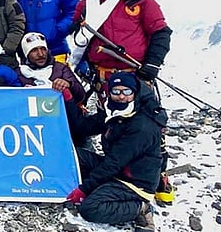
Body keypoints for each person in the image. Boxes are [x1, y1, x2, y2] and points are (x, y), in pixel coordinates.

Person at [70, 0, 174, 203]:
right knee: (111, 125)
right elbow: (78, 36)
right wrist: (82, 62)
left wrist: (152, 64)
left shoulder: (140, 1)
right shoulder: (86, 5)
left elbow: (161, 32)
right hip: (103, 78)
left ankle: (159, 177)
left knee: (150, 127)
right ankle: (116, 172)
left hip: (135, 75)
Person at [63, 72, 166, 232]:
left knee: (90, 209)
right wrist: (68, 99)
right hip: (118, 171)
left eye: (126, 91)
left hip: (135, 183)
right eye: (116, 91)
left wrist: (84, 189)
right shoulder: (113, 111)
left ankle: (141, 207)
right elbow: (83, 126)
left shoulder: (142, 125)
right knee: (71, 155)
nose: (121, 96)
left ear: (135, 93)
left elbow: (114, 163)